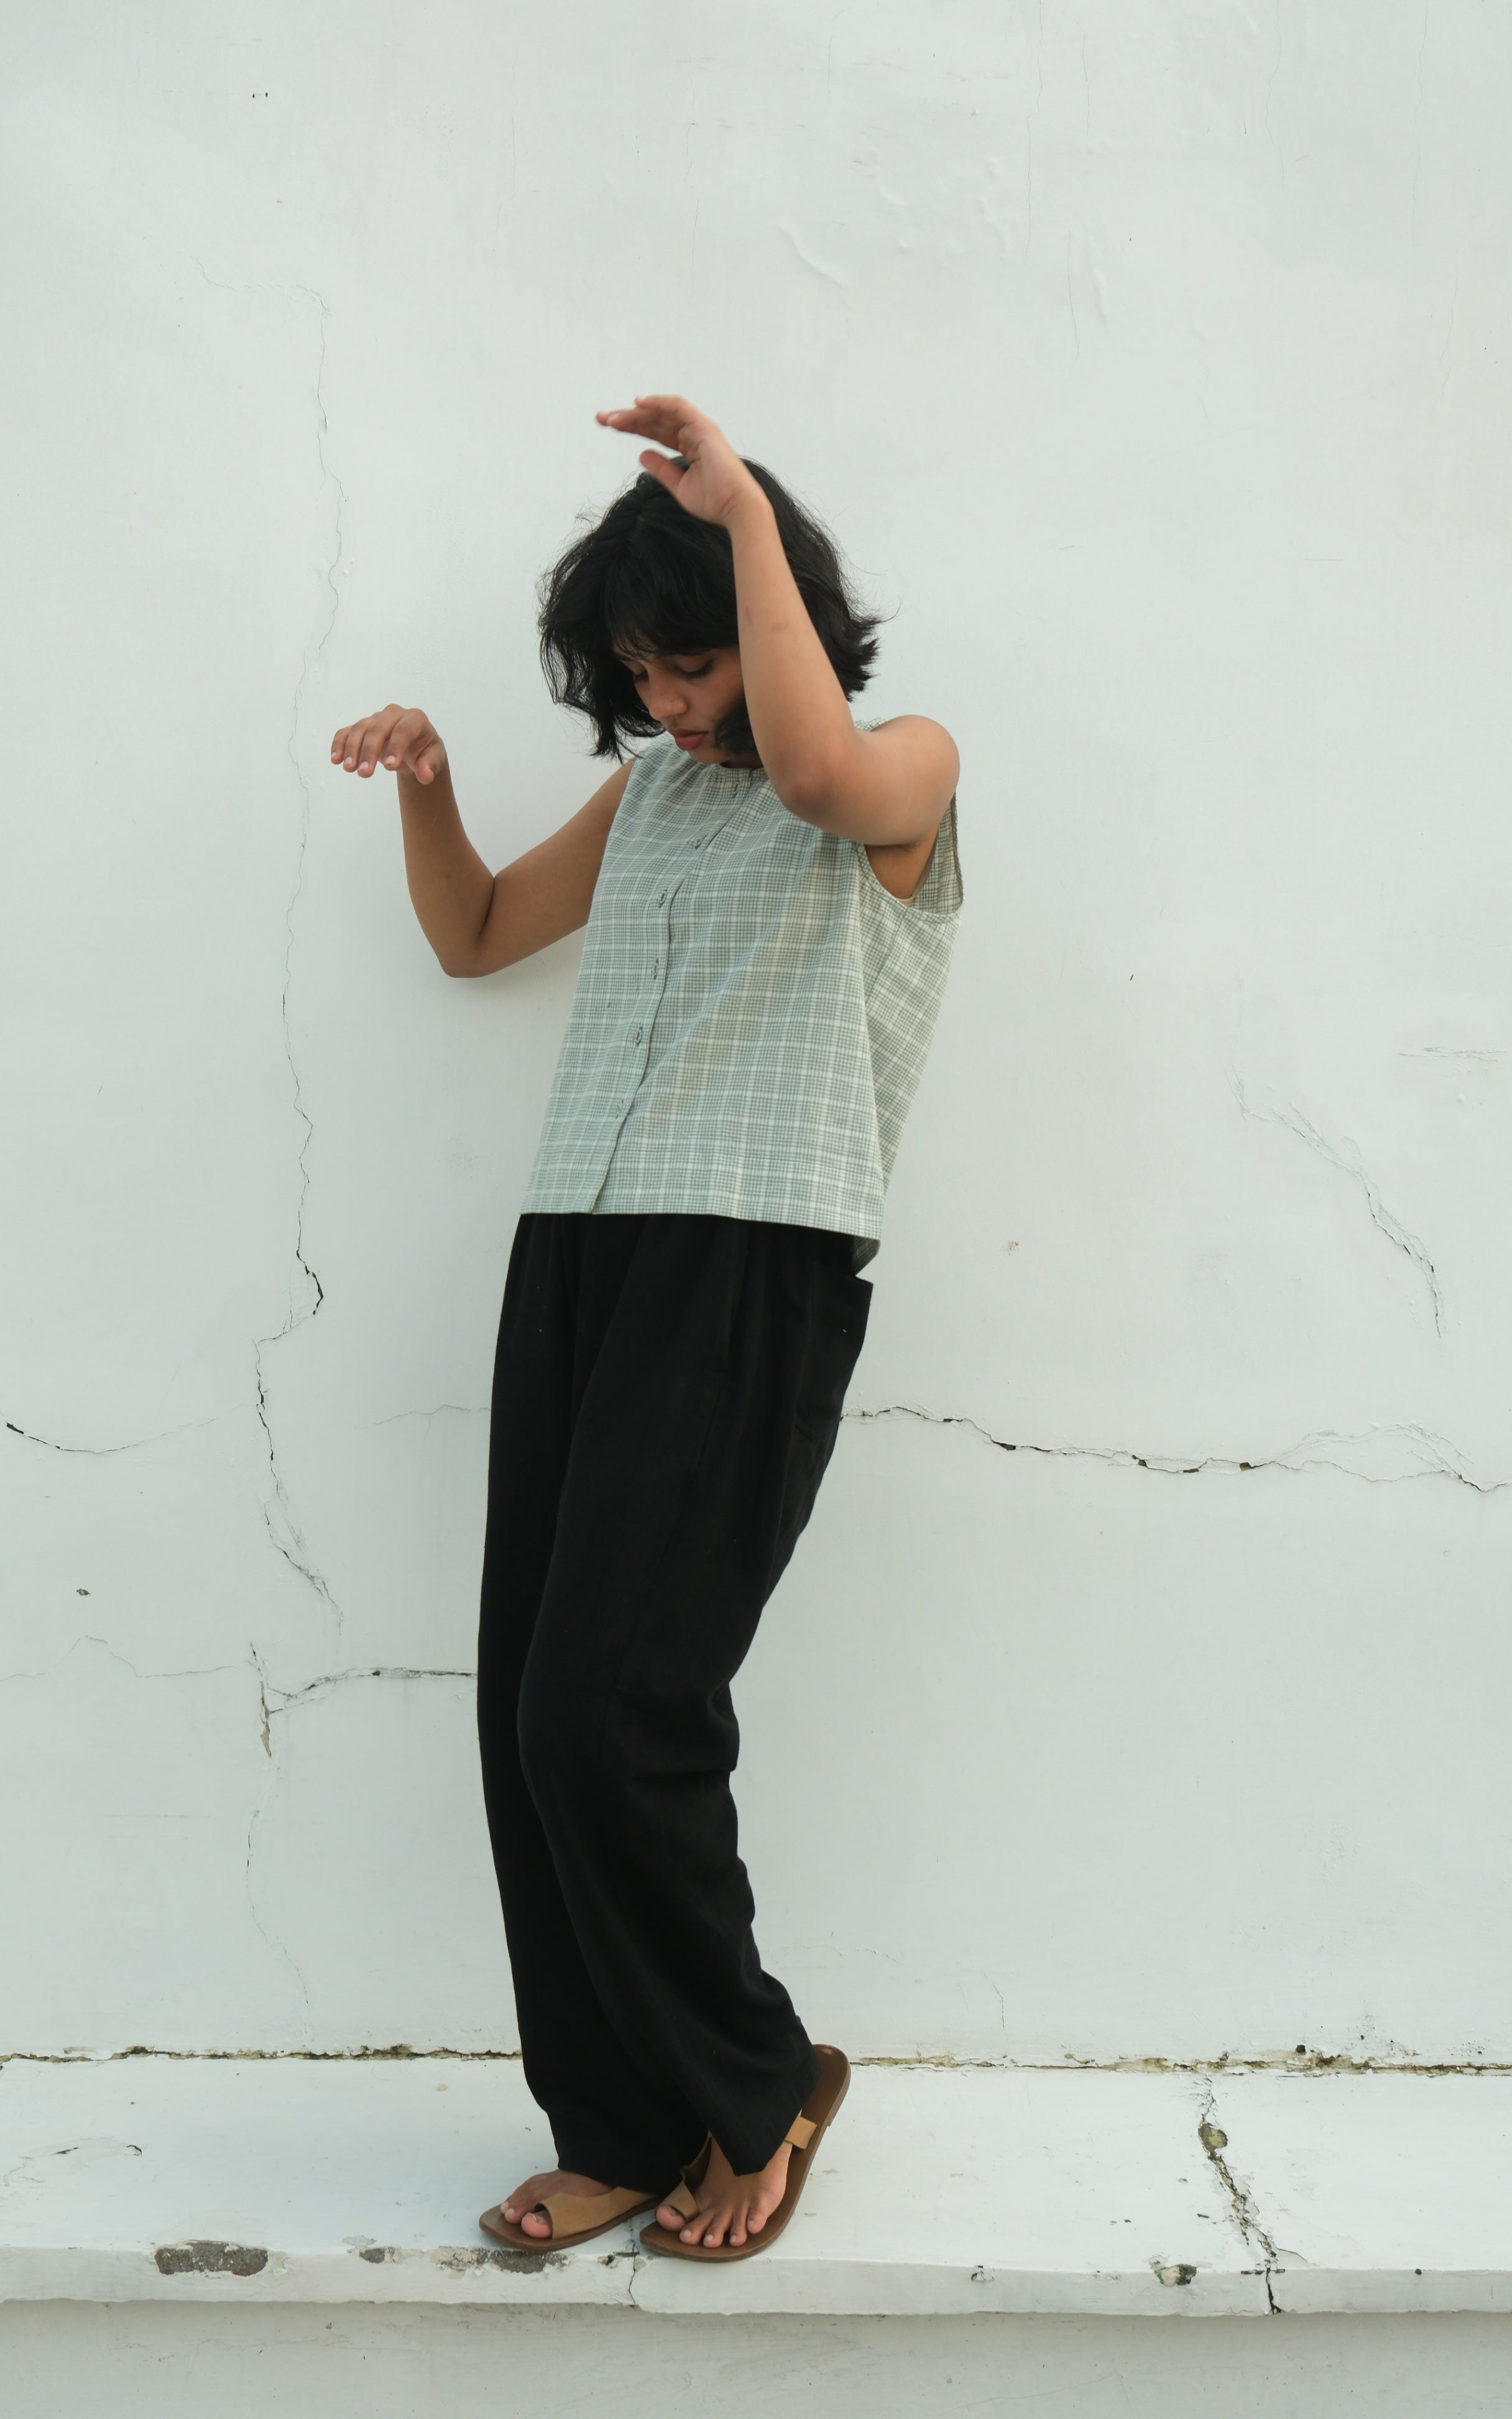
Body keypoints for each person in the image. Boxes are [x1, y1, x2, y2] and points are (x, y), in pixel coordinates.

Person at [331, 396, 962, 2259]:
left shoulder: (902, 766)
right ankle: (612, 2116)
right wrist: (429, 785)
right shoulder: (656, 795)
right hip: (581, 1255)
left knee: (614, 1707)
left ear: (776, 612)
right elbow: (475, 934)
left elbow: (819, 777)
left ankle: (759, 2077)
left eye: (692, 663)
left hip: (749, 1258)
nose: (671, 703)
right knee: (529, 1714)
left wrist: (740, 512)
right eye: (640, 673)